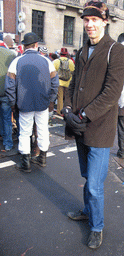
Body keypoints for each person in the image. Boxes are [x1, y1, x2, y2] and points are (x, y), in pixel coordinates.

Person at [61, 0, 124, 249]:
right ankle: (89, 212)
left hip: (98, 129)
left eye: (94, 20)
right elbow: (72, 82)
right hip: (79, 126)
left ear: (104, 21)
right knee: (87, 176)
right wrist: (67, 109)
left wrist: (85, 114)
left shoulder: (115, 50)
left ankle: (97, 227)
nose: (89, 25)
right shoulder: (81, 51)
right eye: (86, 20)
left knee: (95, 185)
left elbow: (112, 92)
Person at [5, 32, 59, 173]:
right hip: (42, 103)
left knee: (25, 132)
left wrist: (12, 103)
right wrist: (52, 100)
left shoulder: (16, 61)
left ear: (24, 46)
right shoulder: (47, 61)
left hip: (24, 103)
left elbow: (9, 86)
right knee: (42, 130)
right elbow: (55, 84)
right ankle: (42, 158)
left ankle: (26, 163)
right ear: (36, 45)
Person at [0, 47, 16, 152]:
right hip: (6, 91)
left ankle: (3, 136)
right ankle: (8, 143)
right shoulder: (11, 54)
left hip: (5, 92)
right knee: (6, 119)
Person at [53, 47, 75, 116]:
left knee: (60, 97)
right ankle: (66, 111)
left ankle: (59, 112)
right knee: (67, 98)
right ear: (66, 54)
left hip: (59, 82)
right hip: (68, 82)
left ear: (60, 54)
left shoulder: (56, 61)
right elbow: (73, 71)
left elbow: (53, 72)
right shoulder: (70, 61)